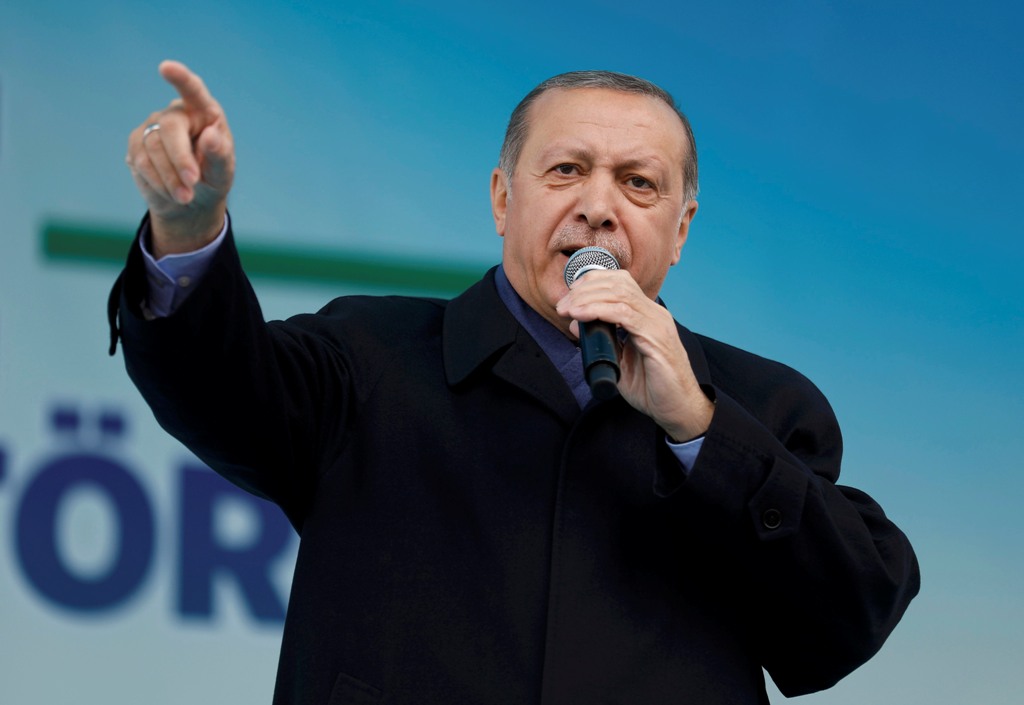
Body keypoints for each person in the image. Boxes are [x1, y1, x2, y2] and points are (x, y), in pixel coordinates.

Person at [112, 60, 919, 705]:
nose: (598, 207)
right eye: (566, 170)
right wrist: (188, 223)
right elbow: (218, 389)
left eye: (639, 183)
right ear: (503, 199)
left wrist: (701, 430)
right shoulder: (369, 355)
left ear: (681, 229)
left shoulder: (765, 405)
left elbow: (843, 622)